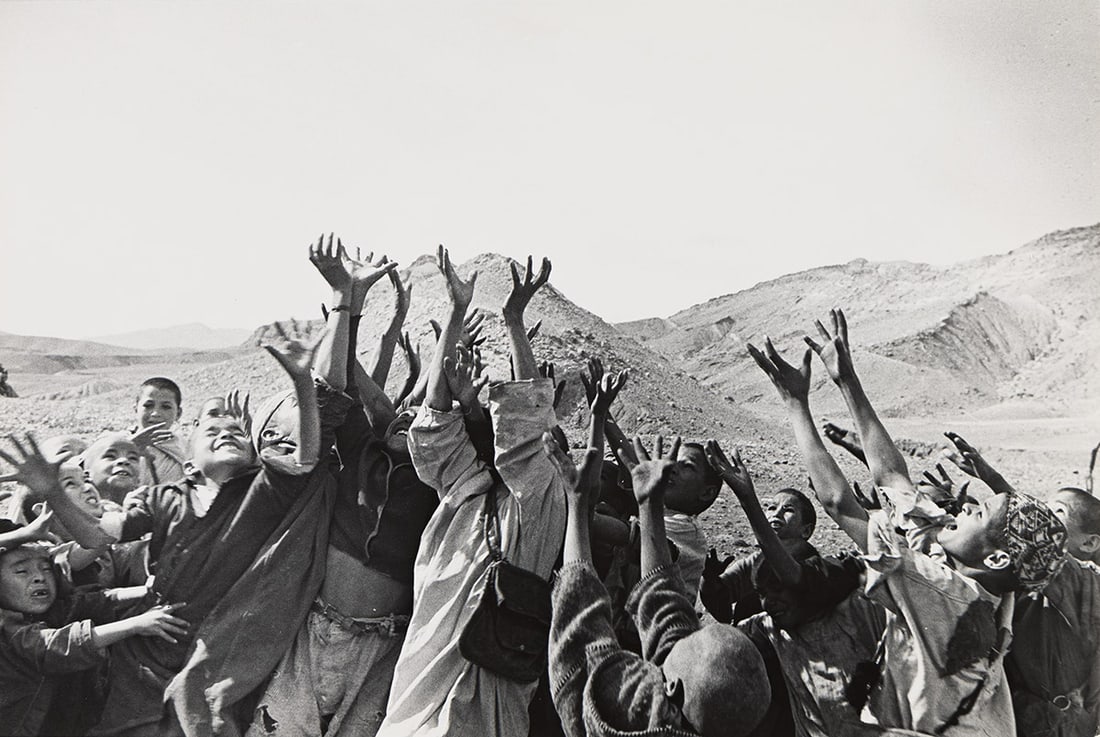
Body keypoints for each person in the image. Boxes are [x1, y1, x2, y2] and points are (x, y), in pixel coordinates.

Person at [6, 314, 350, 736]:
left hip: (221, 649)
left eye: (236, 431)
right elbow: (96, 536)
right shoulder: (161, 498)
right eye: (212, 429)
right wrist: (54, 493)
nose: (226, 432)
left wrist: (301, 382)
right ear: (188, 463)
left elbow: (305, 458)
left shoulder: (263, 492)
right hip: (150, 643)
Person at [752, 310, 1066, 736]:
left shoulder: (941, 591)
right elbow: (894, 480)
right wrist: (847, 380)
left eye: (981, 513)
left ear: (996, 558)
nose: (966, 509)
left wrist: (795, 404)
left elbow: (839, 502)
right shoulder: (991, 587)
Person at [376, 251, 568, 737]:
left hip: (485, 700)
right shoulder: (463, 486)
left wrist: (513, 320)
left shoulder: (540, 503)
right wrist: (456, 313)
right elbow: (434, 421)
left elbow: (528, 415)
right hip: (421, 688)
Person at [245, 239, 430, 737]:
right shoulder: (355, 455)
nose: (405, 416)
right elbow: (336, 389)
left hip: (382, 649)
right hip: (313, 633)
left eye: (417, 419)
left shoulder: (432, 487)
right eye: (400, 411)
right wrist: (347, 299)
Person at [544, 431, 769, 737]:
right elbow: (664, 612)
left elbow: (581, 629)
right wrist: (649, 505)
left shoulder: (610, 716)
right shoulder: (691, 705)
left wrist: (577, 505)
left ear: (669, 688)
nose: (686, 628)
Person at [944, 433, 1100, 737]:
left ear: (1090, 542)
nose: (1041, 514)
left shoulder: (1086, 584)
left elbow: (1028, 532)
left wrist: (993, 479)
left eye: (1057, 512)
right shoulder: (1031, 578)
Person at [0, 514, 188, 736]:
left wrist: (150, 590)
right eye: (22, 571)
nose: (39, 577)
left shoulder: (55, 610)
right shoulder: (6, 627)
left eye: (46, 568)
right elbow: (54, 646)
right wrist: (135, 625)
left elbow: (101, 600)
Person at [700, 484, 818, 625]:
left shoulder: (813, 565)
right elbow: (722, 609)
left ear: (806, 531)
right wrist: (709, 580)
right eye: (772, 507)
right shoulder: (755, 561)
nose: (777, 513)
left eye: (789, 510)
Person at [130, 377, 188, 486]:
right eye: (148, 406)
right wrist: (130, 448)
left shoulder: (185, 448)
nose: (156, 413)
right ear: (136, 409)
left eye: (166, 407)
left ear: (178, 413)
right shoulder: (116, 443)